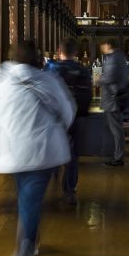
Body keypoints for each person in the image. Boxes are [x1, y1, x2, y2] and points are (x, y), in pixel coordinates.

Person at [0, 39, 76, 256]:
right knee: (30, 202)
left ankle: (30, 244)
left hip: (10, 151)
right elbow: (67, 111)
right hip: (39, 150)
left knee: (26, 198)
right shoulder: (46, 80)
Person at [46, 38, 93, 204]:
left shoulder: (51, 69)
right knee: (73, 154)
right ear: (75, 53)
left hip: (55, 117)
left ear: (59, 51)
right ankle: (69, 190)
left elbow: (45, 94)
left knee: (52, 148)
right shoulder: (83, 70)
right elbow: (88, 94)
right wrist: (83, 112)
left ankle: (51, 176)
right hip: (77, 116)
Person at [99, 38, 129, 167]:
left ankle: (118, 157)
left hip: (112, 99)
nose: (102, 47)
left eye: (103, 44)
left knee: (116, 129)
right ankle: (115, 154)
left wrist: (98, 79)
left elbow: (110, 77)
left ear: (108, 45)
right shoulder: (120, 57)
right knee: (115, 128)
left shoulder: (113, 58)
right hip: (116, 97)